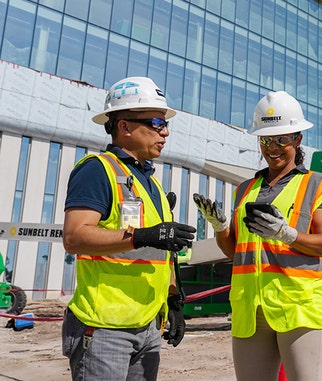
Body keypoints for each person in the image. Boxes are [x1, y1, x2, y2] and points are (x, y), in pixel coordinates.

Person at [193, 90, 322, 381]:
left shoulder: (318, 185)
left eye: (281, 139)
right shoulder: (245, 190)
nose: (273, 147)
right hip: (250, 310)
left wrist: (286, 234)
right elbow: (235, 252)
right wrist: (221, 227)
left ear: (297, 139)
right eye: (265, 139)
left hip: (299, 309)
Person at [61, 76, 196, 381]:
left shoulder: (153, 185)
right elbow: (74, 236)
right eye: (155, 122)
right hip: (104, 327)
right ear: (124, 126)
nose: (165, 131)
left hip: (147, 324)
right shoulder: (97, 169)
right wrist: (141, 236)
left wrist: (173, 301)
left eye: (165, 123)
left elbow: (162, 254)